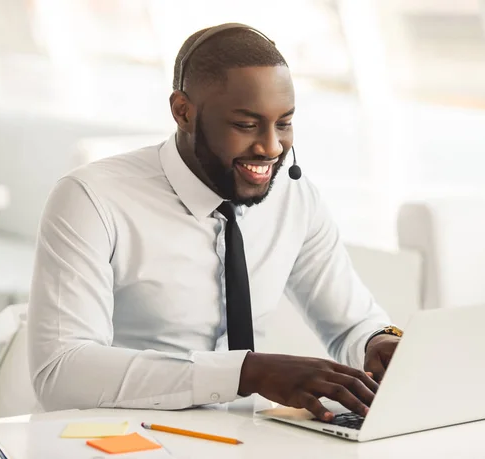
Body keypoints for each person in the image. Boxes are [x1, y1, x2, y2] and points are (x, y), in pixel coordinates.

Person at [27, 23, 401, 422]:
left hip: (251, 438)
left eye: (284, 123)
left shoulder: (296, 197)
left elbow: (352, 324)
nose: (272, 146)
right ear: (183, 112)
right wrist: (245, 373)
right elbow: (61, 373)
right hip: (122, 436)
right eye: (246, 125)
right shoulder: (92, 197)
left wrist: (376, 342)